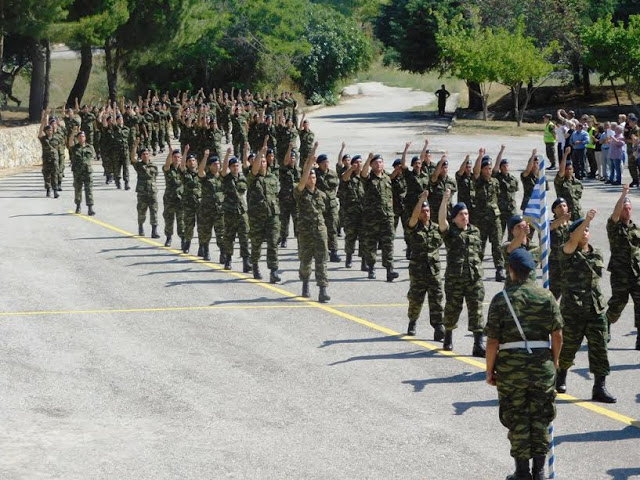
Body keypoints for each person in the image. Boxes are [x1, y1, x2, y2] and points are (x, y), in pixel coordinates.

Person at [485, 249, 563, 480]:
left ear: (511, 271)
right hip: (542, 365)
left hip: (511, 369)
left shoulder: (502, 299)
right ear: (532, 271)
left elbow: (492, 342)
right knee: (540, 417)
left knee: (517, 417)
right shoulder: (546, 296)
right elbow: (557, 334)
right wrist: (555, 360)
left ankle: (521, 472)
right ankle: (539, 471)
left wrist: (490, 369)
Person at [556, 210, 617, 403]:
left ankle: (599, 387)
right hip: (573, 310)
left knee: (600, 348)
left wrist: (587, 223)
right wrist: (587, 219)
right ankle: (561, 375)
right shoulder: (566, 252)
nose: (585, 232)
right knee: (568, 347)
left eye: (588, 230)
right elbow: (572, 241)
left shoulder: (596, 253)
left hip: (595, 308)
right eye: (582, 230)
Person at [438, 190, 486, 357]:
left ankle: (478, 344)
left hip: (474, 278)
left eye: (466, 214)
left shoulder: (476, 231)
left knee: (477, 310)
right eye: (460, 214)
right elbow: (441, 221)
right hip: (455, 278)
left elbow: (479, 253)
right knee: (452, 309)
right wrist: (445, 201)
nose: (464, 217)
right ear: (454, 218)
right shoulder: (450, 232)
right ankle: (448, 336)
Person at [406, 191, 445, 341]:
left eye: (427, 211)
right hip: (418, 271)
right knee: (416, 299)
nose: (425, 214)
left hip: (434, 270)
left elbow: (444, 224)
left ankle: (438, 327)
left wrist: (444, 201)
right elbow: (413, 218)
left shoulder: (436, 228)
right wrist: (421, 199)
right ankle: (412, 322)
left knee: (436, 299)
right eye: (423, 211)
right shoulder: (414, 227)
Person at [295, 142, 330, 303]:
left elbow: (326, 214)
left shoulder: (321, 195)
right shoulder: (300, 192)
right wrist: (311, 158)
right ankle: (305, 284)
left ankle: (323, 289)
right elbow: (303, 178)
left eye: (314, 176)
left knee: (322, 260)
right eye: (310, 176)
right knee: (306, 260)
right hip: (306, 231)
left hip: (320, 231)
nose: (312, 178)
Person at [606, 186, 640, 350]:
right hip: (620, 273)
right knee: (618, 303)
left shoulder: (636, 229)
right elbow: (614, 214)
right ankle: (606, 323)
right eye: (624, 209)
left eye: (628, 208)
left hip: (636, 274)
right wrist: (624, 195)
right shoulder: (613, 227)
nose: (627, 211)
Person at [360, 153, 398, 282]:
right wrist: (368, 159)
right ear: (371, 165)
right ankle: (371, 267)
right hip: (372, 218)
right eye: (375, 162)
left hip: (387, 217)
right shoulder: (368, 178)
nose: (378, 164)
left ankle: (389, 270)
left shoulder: (386, 178)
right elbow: (363, 173)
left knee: (388, 244)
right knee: (371, 243)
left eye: (380, 162)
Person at [247, 139, 281, 283]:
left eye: (264, 161)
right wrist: (261, 152)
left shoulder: (273, 177)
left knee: (273, 243)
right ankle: (254, 265)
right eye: (260, 161)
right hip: (257, 217)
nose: (262, 163)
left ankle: (274, 271)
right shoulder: (252, 178)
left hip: (272, 216)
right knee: (257, 243)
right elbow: (254, 168)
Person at [473, 149, 506, 282]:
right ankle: (477, 270)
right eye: (486, 168)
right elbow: (475, 171)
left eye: (490, 168)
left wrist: (500, 152)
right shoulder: (478, 181)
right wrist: (480, 156)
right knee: (480, 245)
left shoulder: (495, 181)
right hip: (481, 219)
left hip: (495, 218)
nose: (489, 170)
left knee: (497, 245)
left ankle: (499, 270)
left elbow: (497, 167)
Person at [221, 147, 252, 273]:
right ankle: (228, 259)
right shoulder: (226, 178)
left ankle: (246, 261)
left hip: (242, 212)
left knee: (244, 237)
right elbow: (223, 170)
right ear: (230, 167)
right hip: (230, 212)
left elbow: (247, 166)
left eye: (237, 165)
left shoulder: (243, 178)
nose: (235, 167)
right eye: (233, 166)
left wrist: (245, 152)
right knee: (229, 236)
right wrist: (227, 155)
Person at [197, 151, 225, 262]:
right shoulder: (205, 177)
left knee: (221, 233)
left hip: (219, 210)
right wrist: (205, 157)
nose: (217, 165)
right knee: (205, 232)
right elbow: (200, 171)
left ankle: (223, 253)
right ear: (210, 166)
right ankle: (206, 250)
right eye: (214, 164)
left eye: (218, 164)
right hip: (206, 210)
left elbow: (227, 168)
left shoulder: (223, 177)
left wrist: (226, 156)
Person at [130, 140, 160, 238]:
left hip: (152, 192)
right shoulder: (139, 165)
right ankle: (141, 227)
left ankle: (154, 231)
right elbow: (133, 159)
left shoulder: (154, 166)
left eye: (147, 154)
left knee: (154, 211)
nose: (146, 156)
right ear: (141, 156)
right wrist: (135, 146)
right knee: (141, 211)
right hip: (142, 192)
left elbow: (156, 177)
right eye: (143, 154)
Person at [315, 151, 341, 262]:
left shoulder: (333, 174)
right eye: (323, 162)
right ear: (319, 164)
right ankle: (321, 251)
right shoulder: (315, 174)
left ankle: (334, 252)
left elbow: (335, 187)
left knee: (333, 228)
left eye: (327, 162)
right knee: (320, 229)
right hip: (319, 206)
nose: (326, 164)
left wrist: (331, 197)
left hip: (331, 205)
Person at [341, 153, 365, 270]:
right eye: (357, 162)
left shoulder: (365, 177)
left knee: (364, 238)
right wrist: (351, 168)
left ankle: (364, 262)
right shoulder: (348, 176)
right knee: (350, 236)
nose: (359, 164)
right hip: (350, 213)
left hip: (363, 213)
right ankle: (349, 258)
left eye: (361, 162)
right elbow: (344, 178)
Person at [493, 145, 519, 240]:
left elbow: (514, 192)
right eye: (503, 166)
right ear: (500, 168)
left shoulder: (513, 179)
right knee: (499, 233)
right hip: (501, 210)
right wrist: (501, 151)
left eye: (507, 166)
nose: (506, 168)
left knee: (513, 232)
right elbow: (495, 166)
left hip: (511, 210)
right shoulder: (497, 178)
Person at [68, 127, 96, 216]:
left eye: (83, 136)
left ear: (85, 138)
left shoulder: (90, 147)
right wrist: (72, 133)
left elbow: (93, 156)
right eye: (79, 137)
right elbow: (69, 143)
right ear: (77, 138)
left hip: (87, 172)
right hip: (78, 172)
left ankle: (90, 208)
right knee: (78, 190)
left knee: (89, 190)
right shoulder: (74, 148)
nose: (81, 138)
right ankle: (78, 206)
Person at [179, 146, 202, 253]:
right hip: (188, 203)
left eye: (193, 160)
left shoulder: (201, 173)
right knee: (189, 225)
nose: (192, 162)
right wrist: (185, 152)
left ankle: (202, 246)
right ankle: (187, 242)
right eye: (190, 161)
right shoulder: (185, 174)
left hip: (200, 203)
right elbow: (182, 166)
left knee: (202, 226)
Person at [277, 143, 301, 248]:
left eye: (294, 158)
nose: (292, 160)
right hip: (284, 199)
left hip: (296, 200)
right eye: (291, 158)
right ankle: (283, 238)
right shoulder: (283, 169)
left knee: (298, 221)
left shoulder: (299, 171)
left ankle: (299, 239)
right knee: (284, 220)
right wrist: (289, 148)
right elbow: (285, 161)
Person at [549, 198, 571, 299]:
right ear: (554, 210)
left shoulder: (572, 225)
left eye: (564, 206)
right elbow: (551, 227)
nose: (562, 208)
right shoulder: (550, 224)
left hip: (570, 262)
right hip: (556, 262)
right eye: (559, 207)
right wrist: (563, 219)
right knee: (554, 292)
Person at [162, 148, 184, 247]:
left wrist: (186, 152)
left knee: (181, 220)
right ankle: (168, 237)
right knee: (169, 219)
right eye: (174, 157)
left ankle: (183, 239)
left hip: (181, 199)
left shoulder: (183, 169)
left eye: (178, 157)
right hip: (169, 198)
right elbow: (166, 165)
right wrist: (169, 154)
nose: (176, 159)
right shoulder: (168, 168)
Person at [555, 148, 583, 220]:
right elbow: (561, 171)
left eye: (570, 169)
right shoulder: (560, 182)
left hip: (577, 213)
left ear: (573, 169)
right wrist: (565, 155)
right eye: (566, 169)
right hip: (564, 214)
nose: (568, 171)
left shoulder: (578, 183)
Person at [38, 109, 60, 198]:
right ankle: (48, 189)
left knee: (54, 175)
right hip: (46, 159)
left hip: (54, 159)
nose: (49, 131)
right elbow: (40, 132)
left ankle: (55, 190)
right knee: (46, 175)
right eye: (47, 130)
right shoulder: (43, 139)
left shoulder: (56, 138)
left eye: (50, 130)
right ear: (46, 131)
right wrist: (44, 119)